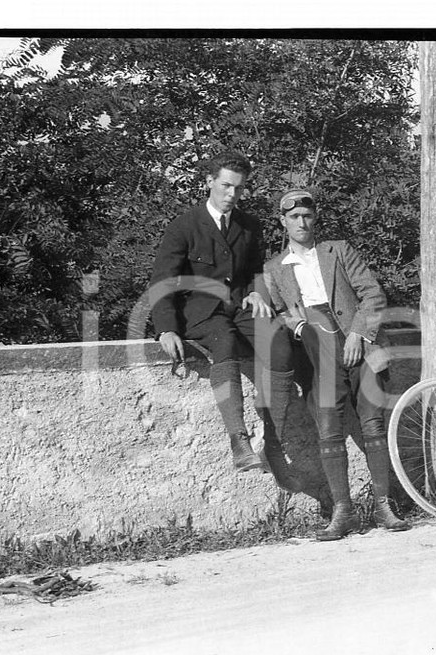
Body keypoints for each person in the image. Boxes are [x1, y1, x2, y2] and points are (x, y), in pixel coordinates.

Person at [263, 189, 409, 541]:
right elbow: (281, 310)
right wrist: (297, 326)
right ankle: (343, 512)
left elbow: (372, 294)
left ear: (315, 219)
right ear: (283, 221)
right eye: (294, 217)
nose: (301, 222)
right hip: (317, 346)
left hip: (360, 341)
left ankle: (383, 506)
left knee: (372, 424)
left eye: (307, 216)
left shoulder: (338, 251)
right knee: (328, 429)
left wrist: (359, 334)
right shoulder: (274, 269)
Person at [148, 151, 294, 475]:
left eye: (239, 189)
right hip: (200, 311)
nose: (232, 195)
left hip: (240, 306)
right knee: (224, 342)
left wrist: (258, 290)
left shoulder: (249, 226)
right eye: (226, 186)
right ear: (209, 182)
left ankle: (273, 441)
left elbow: (256, 269)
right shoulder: (184, 226)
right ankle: (239, 441)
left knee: (280, 343)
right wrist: (165, 329)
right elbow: (162, 281)